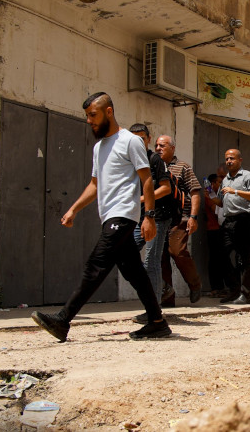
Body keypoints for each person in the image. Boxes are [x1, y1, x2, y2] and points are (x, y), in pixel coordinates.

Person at [31, 92, 170, 341]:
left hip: (124, 215)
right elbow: (95, 184)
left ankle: (63, 319)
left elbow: (147, 179)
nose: (89, 121)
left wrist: (148, 216)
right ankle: (157, 321)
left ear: (108, 112)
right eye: (87, 116)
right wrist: (74, 209)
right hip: (108, 215)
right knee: (134, 271)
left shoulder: (130, 141)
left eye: (92, 115)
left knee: (96, 265)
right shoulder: (99, 147)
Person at [128, 124, 178, 307]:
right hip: (138, 217)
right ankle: (163, 287)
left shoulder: (155, 160)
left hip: (158, 216)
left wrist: (142, 199)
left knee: (151, 261)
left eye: (142, 138)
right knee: (125, 253)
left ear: (148, 139)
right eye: (134, 139)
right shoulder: (129, 160)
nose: (139, 142)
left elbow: (165, 189)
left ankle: (153, 309)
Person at [154, 135, 203, 305]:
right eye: (156, 145)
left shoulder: (183, 167)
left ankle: (195, 284)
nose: (158, 148)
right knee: (160, 258)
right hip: (159, 218)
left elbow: (195, 192)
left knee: (177, 251)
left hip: (179, 217)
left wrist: (193, 217)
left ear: (172, 148)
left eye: (162, 145)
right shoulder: (153, 166)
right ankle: (167, 298)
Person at [215, 149, 250, 305]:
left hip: (243, 220)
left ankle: (245, 293)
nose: (229, 161)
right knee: (220, 255)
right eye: (227, 158)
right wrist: (209, 195)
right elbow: (221, 202)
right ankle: (234, 289)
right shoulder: (225, 180)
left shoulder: (248, 176)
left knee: (244, 259)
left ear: (240, 160)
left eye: (232, 158)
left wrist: (235, 191)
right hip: (228, 221)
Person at [204, 171, 226, 296]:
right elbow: (215, 210)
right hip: (213, 230)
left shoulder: (215, 195)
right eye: (218, 182)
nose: (221, 184)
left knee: (221, 259)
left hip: (220, 229)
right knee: (215, 259)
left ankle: (221, 286)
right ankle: (215, 288)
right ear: (212, 183)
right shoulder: (209, 196)